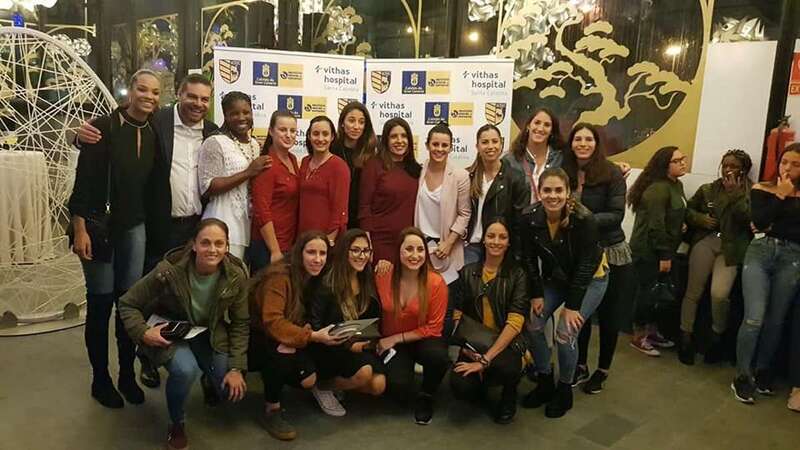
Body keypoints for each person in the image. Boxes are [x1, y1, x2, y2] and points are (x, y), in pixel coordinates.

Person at [76, 73, 234, 389]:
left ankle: (132, 372)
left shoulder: (210, 133)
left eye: (205, 99)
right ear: (177, 95)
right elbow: (87, 174)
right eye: (191, 96)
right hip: (128, 228)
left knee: (154, 301)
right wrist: (78, 135)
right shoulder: (155, 123)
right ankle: (114, 374)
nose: (198, 104)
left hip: (175, 228)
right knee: (124, 303)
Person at [68, 69, 162, 409]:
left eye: (154, 92)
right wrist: (79, 229)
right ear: (130, 91)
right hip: (97, 229)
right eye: (142, 89)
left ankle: (125, 374)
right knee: (100, 305)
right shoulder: (103, 128)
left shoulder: (153, 131)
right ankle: (100, 379)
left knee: (127, 306)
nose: (148, 97)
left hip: (134, 229)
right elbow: (83, 183)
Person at [118, 218, 249, 450]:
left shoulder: (236, 276)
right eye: (205, 243)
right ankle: (176, 423)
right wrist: (143, 333)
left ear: (227, 247)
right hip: (173, 330)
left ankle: (210, 378)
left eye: (219, 243)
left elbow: (240, 323)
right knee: (185, 370)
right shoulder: (168, 271)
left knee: (228, 390)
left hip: (208, 333)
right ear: (194, 245)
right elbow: (127, 303)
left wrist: (237, 367)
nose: (212, 249)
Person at [519, 168, 608, 418]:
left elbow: (585, 266)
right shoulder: (530, 217)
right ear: (539, 191)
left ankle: (564, 387)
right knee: (534, 323)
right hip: (557, 278)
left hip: (591, 280)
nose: (553, 195)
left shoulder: (584, 220)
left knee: (565, 333)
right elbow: (528, 259)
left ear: (568, 192)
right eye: (547, 190)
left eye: (559, 190)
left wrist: (572, 306)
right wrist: (536, 294)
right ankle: (545, 379)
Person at [249, 231, 347, 441]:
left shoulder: (313, 279)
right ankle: (272, 408)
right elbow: (273, 321)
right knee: (284, 350)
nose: (318, 259)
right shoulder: (279, 278)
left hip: (287, 334)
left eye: (322, 253)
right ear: (298, 253)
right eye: (311, 252)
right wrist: (310, 335)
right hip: (256, 338)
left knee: (309, 379)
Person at [563, 123, 632, 394]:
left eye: (588, 139)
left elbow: (616, 215)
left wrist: (583, 217)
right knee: (581, 314)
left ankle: (602, 370)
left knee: (609, 316)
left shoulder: (612, 172)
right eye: (577, 139)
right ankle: (580, 364)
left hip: (611, 252)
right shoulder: (566, 172)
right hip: (580, 253)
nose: (582, 143)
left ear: (596, 143)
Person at [731, 144, 800, 404]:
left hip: (793, 258)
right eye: (785, 162)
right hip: (760, 252)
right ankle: (742, 375)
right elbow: (759, 223)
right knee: (754, 318)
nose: (788, 168)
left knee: (776, 320)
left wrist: (777, 223)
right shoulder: (764, 188)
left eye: (795, 164)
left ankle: (762, 371)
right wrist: (781, 196)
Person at [679, 150, 753, 365]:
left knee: (719, 294)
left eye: (733, 166)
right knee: (693, 290)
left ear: (744, 169)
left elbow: (746, 219)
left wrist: (735, 193)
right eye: (725, 165)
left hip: (731, 248)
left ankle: (717, 336)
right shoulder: (708, 189)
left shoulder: (751, 192)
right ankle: (685, 336)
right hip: (707, 240)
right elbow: (688, 211)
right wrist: (700, 219)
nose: (728, 170)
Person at [450, 218, 528, 424]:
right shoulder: (468, 272)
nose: (496, 241)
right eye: (491, 236)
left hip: (505, 346)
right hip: (472, 345)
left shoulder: (517, 274)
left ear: (509, 242)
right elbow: (457, 315)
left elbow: (515, 322)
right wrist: (467, 350)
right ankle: (481, 385)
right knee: (460, 386)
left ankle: (508, 395)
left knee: (509, 369)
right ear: (483, 240)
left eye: (502, 237)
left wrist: (485, 360)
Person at [376, 227, 449, 425]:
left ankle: (427, 395)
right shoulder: (383, 276)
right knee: (398, 391)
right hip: (395, 344)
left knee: (438, 357)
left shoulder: (436, 283)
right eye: (408, 249)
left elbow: (435, 327)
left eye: (420, 250)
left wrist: (396, 338)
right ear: (398, 252)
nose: (415, 255)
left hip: (424, 339)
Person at [308, 229, 387, 408]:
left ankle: (341, 385)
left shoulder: (367, 279)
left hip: (358, 345)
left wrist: (368, 344)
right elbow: (316, 323)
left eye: (366, 251)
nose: (362, 256)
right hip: (329, 346)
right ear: (345, 251)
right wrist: (348, 344)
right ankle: (322, 386)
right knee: (365, 374)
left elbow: (371, 321)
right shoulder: (328, 281)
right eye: (356, 250)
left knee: (378, 386)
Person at [627, 146, 688, 356]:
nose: (683, 163)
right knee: (647, 294)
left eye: (683, 159)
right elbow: (655, 225)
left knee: (657, 295)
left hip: (664, 249)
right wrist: (664, 255)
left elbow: (671, 214)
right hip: (649, 251)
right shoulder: (658, 189)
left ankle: (651, 332)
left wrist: (680, 225)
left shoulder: (676, 185)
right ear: (665, 165)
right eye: (677, 160)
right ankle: (638, 336)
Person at [414, 123, 471, 337]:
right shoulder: (418, 170)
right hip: (420, 250)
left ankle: (442, 350)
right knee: (422, 303)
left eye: (444, 145)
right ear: (427, 145)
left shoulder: (459, 176)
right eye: (435, 144)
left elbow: (465, 213)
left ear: (451, 147)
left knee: (445, 307)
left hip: (446, 249)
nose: (439, 149)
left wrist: (449, 242)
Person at [198, 91, 270, 259]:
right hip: (222, 221)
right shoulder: (214, 142)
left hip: (249, 223)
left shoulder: (254, 144)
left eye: (246, 112)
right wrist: (248, 172)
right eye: (234, 113)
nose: (241, 117)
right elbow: (208, 187)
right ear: (225, 115)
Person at [465, 124, 529, 266]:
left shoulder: (515, 178)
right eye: (485, 142)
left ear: (502, 143)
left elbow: (519, 222)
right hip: (471, 247)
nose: (490, 146)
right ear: (477, 146)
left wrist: (517, 256)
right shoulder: (468, 176)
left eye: (495, 141)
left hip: (500, 249)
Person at [359, 117, 422, 263]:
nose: (399, 140)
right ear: (386, 140)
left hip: (409, 244)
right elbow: (364, 207)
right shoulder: (374, 166)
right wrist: (368, 245)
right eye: (394, 136)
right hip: (381, 242)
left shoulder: (416, 170)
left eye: (404, 136)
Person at [250, 110, 300, 272]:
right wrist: (275, 250)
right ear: (271, 131)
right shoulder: (267, 164)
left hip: (288, 243)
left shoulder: (293, 159)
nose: (288, 135)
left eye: (292, 131)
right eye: (283, 130)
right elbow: (261, 210)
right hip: (269, 246)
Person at [297, 115, 351, 243]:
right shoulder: (304, 162)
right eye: (316, 134)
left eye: (325, 134)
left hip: (326, 240)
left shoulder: (339, 167)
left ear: (332, 137)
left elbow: (339, 210)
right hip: (303, 238)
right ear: (309, 136)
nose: (320, 139)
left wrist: (328, 242)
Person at [331, 101, 377, 228]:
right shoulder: (331, 150)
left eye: (361, 122)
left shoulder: (371, 155)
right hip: (334, 219)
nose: (356, 126)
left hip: (360, 221)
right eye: (351, 120)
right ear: (342, 123)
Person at [502, 108, 563, 203]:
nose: (540, 128)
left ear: (552, 131)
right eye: (537, 123)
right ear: (528, 126)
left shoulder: (560, 159)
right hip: (519, 216)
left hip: (550, 216)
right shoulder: (510, 160)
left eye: (547, 125)